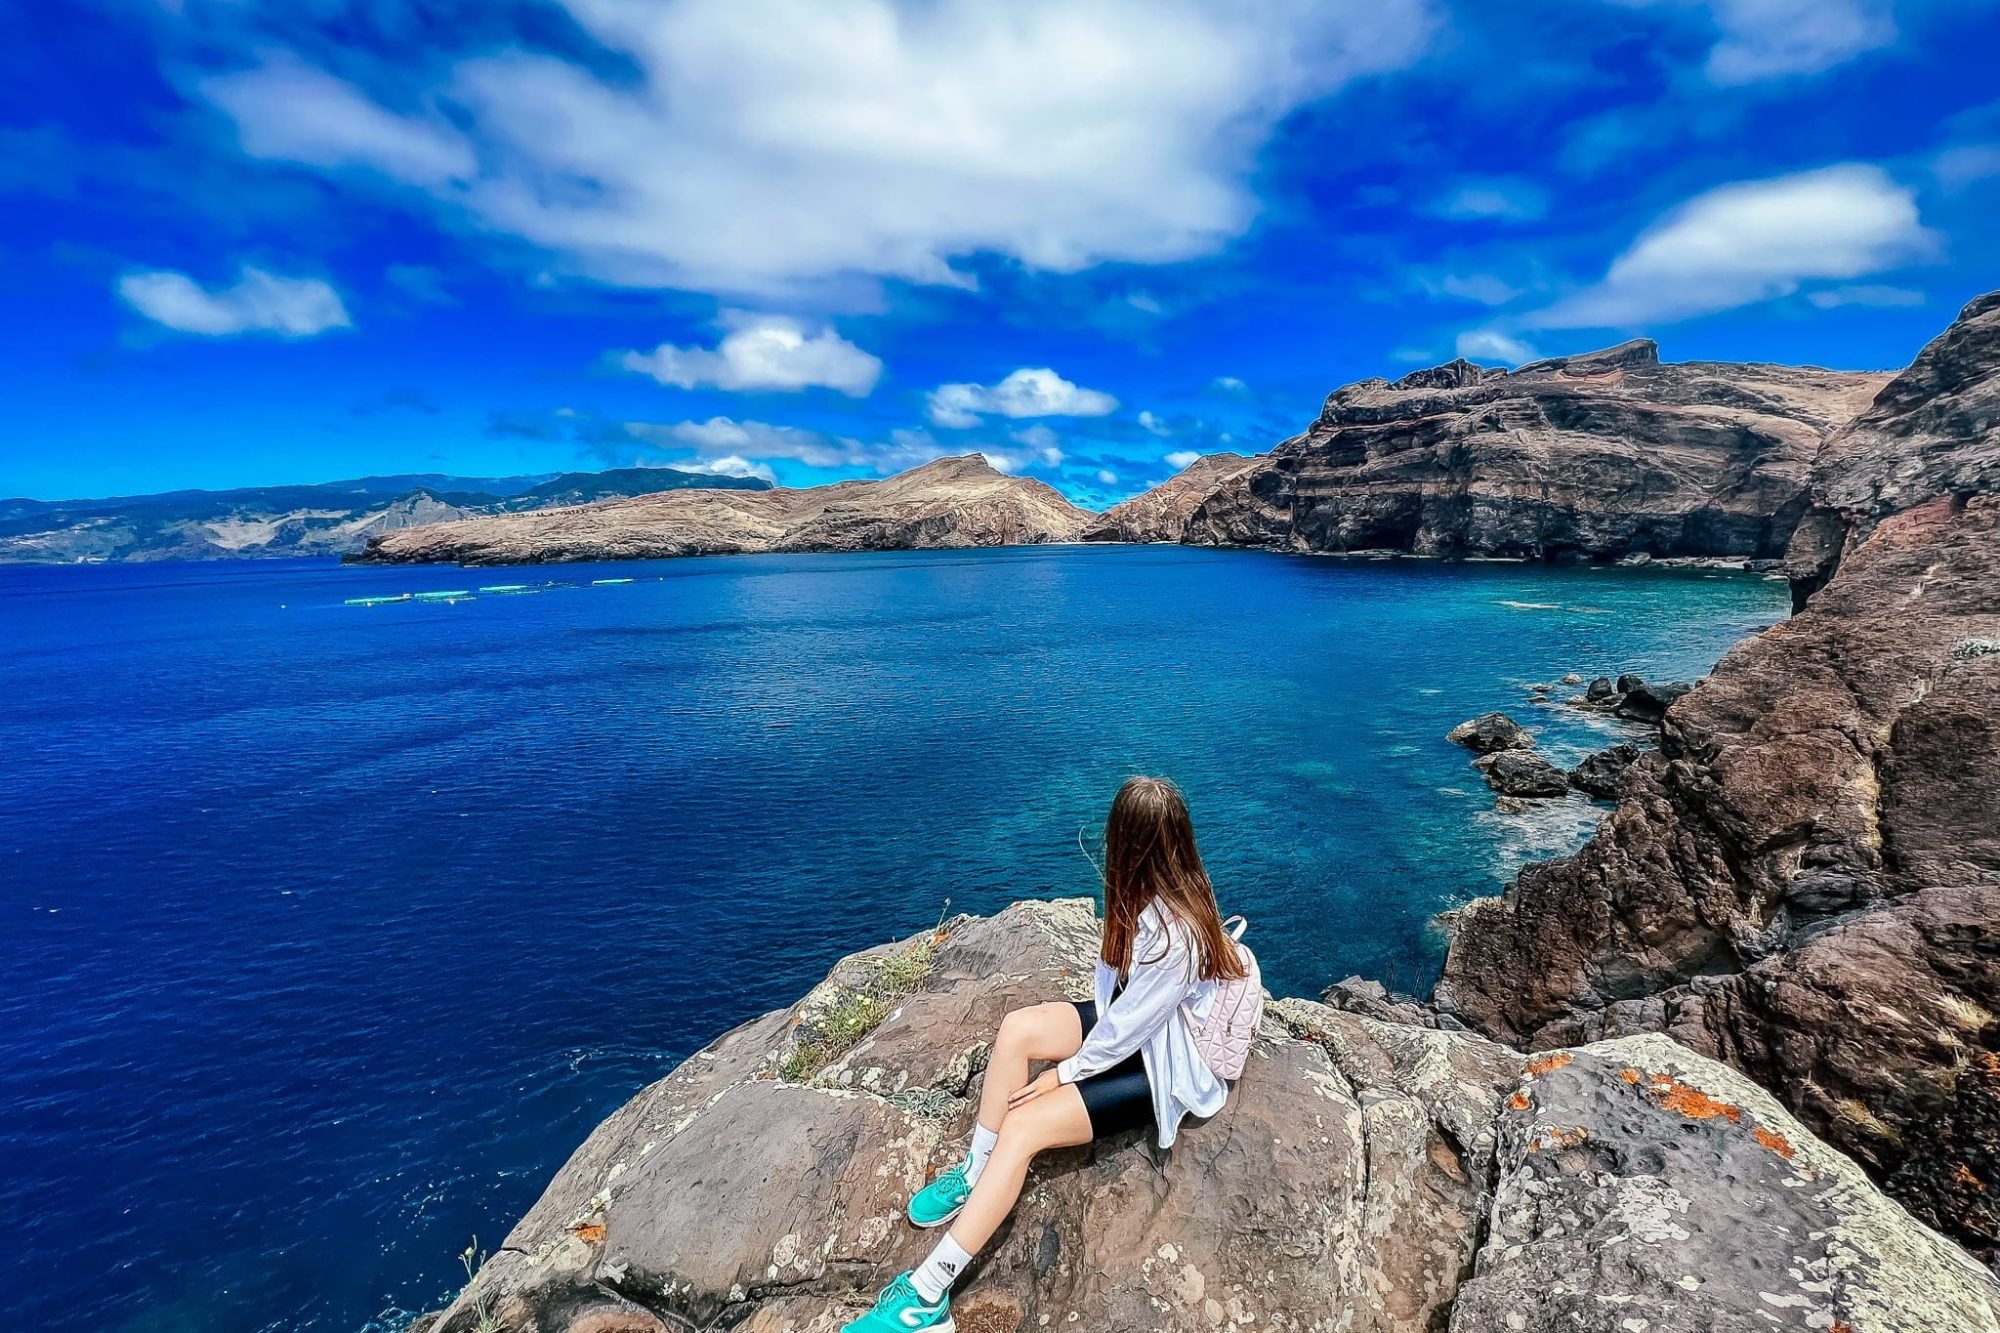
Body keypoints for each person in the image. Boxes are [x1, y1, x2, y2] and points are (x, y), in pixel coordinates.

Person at [842, 775, 1250, 1333]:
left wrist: (1066, 1074)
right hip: (1138, 1030)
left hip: (1173, 1062)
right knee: (1017, 1030)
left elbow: (1132, 1029)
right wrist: (1074, 1058)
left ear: (1127, 843)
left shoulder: (1177, 932)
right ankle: (975, 1175)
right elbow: (1115, 1000)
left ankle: (926, 1298)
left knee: (1025, 1128)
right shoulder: (1143, 891)